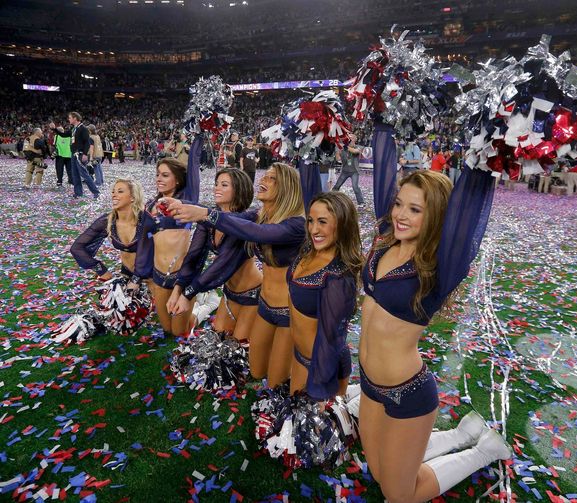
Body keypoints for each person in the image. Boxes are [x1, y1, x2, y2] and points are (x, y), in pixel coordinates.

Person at [359, 123, 510, 502]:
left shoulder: (439, 267)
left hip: (406, 393)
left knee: (400, 494)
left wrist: (487, 141)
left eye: (415, 209)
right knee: (378, 472)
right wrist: (382, 118)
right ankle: (460, 434)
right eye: (399, 204)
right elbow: (383, 164)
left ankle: (483, 451)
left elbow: (471, 208)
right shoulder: (385, 241)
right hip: (368, 383)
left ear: (439, 216)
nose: (400, 215)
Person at [166, 162, 307, 387]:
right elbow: (230, 218)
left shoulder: (297, 224)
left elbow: (256, 234)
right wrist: (185, 205)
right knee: (253, 369)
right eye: (265, 176)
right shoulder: (259, 215)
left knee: (272, 380)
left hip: (286, 310)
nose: (263, 181)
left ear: (287, 187)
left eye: (271, 179)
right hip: (262, 306)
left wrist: (204, 213)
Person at [167, 168, 262, 343]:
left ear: (239, 189)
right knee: (218, 338)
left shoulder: (244, 222)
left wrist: (189, 293)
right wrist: (178, 288)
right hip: (229, 291)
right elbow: (194, 256)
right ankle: (211, 301)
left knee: (237, 346)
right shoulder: (209, 218)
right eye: (216, 184)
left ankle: (210, 301)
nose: (216, 188)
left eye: (224, 185)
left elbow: (222, 265)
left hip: (253, 292)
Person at [288, 191, 361, 400]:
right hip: (300, 356)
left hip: (321, 367)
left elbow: (330, 340)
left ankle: (352, 402)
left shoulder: (338, 276)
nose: (313, 229)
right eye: (310, 221)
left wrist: (318, 390)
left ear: (342, 224)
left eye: (322, 222)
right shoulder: (309, 251)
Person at [129, 140, 202, 338]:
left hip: (182, 276)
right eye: (157, 175)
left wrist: (199, 136)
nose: (159, 179)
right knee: (168, 329)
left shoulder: (186, 200)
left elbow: (194, 164)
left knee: (180, 331)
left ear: (177, 180)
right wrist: (139, 276)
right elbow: (144, 245)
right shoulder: (150, 206)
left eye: (165, 175)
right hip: (159, 276)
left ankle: (202, 310)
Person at [70, 179, 146, 280]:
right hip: (128, 275)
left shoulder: (146, 219)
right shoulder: (108, 221)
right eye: (113, 191)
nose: (114, 195)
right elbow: (76, 248)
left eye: (120, 191)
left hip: (153, 277)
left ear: (132, 197)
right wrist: (100, 269)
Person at [50, 112, 100, 199]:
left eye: (70, 118)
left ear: (75, 118)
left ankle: (96, 192)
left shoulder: (83, 128)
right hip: (73, 154)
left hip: (79, 154)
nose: (68, 119)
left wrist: (84, 154)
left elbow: (87, 142)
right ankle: (78, 193)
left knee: (84, 174)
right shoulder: (74, 129)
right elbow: (64, 134)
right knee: (75, 175)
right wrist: (55, 129)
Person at [332, 135, 365, 206]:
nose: (351, 140)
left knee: (355, 187)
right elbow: (338, 159)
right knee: (337, 186)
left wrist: (344, 146)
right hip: (345, 171)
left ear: (355, 140)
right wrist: (338, 151)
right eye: (350, 138)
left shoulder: (358, 147)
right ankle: (331, 199)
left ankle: (361, 202)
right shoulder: (342, 148)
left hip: (354, 172)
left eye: (352, 138)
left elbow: (355, 151)